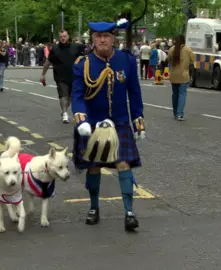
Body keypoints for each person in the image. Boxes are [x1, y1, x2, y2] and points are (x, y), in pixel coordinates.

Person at [71, 19, 146, 232]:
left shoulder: (127, 61)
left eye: (106, 36)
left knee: (124, 164)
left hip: (120, 122)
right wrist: (81, 120)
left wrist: (138, 121)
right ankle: (94, 207)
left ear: (114, 38)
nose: (102, 40)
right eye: (98, 36)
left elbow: (135, 93)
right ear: (93, 39)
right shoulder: (82, 64)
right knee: (94, 166)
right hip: (92, 123)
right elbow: (77, 95)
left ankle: (129, 212)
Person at [40, 30, 85, 123]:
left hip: (74, 76)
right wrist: (43, 74)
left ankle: (64, 110)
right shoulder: (55, 48)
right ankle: (65, 114)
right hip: (60, 76)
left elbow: (87, 55)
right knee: (63, 95)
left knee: (70, 97)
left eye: (64, 36)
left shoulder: (76, 47)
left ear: (68, 37)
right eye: (61, 37)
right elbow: (48, 62)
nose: (63, 38)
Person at [167, 35, 194, 121]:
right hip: (184, 75)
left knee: (175, 94)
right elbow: (192, 61)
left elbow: (168, 59)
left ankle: (175, 113)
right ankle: (180, 114)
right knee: (182, 94)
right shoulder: (188, 49)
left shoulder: (171, 49)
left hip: (174, 75)